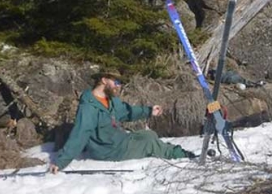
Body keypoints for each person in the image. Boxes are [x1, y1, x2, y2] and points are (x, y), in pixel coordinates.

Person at [50, 69, 192, 173]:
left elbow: (124, 111)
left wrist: (149, 111)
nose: (119, 85)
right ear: (104, 80)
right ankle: (184, 156)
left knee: (149, 135)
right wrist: (60, 162)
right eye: (116, 82)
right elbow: (80, 134)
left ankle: (167, 150)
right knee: (150, 144)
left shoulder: (109, 99)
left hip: (121, 140)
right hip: (109, 151)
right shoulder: (88, 107)